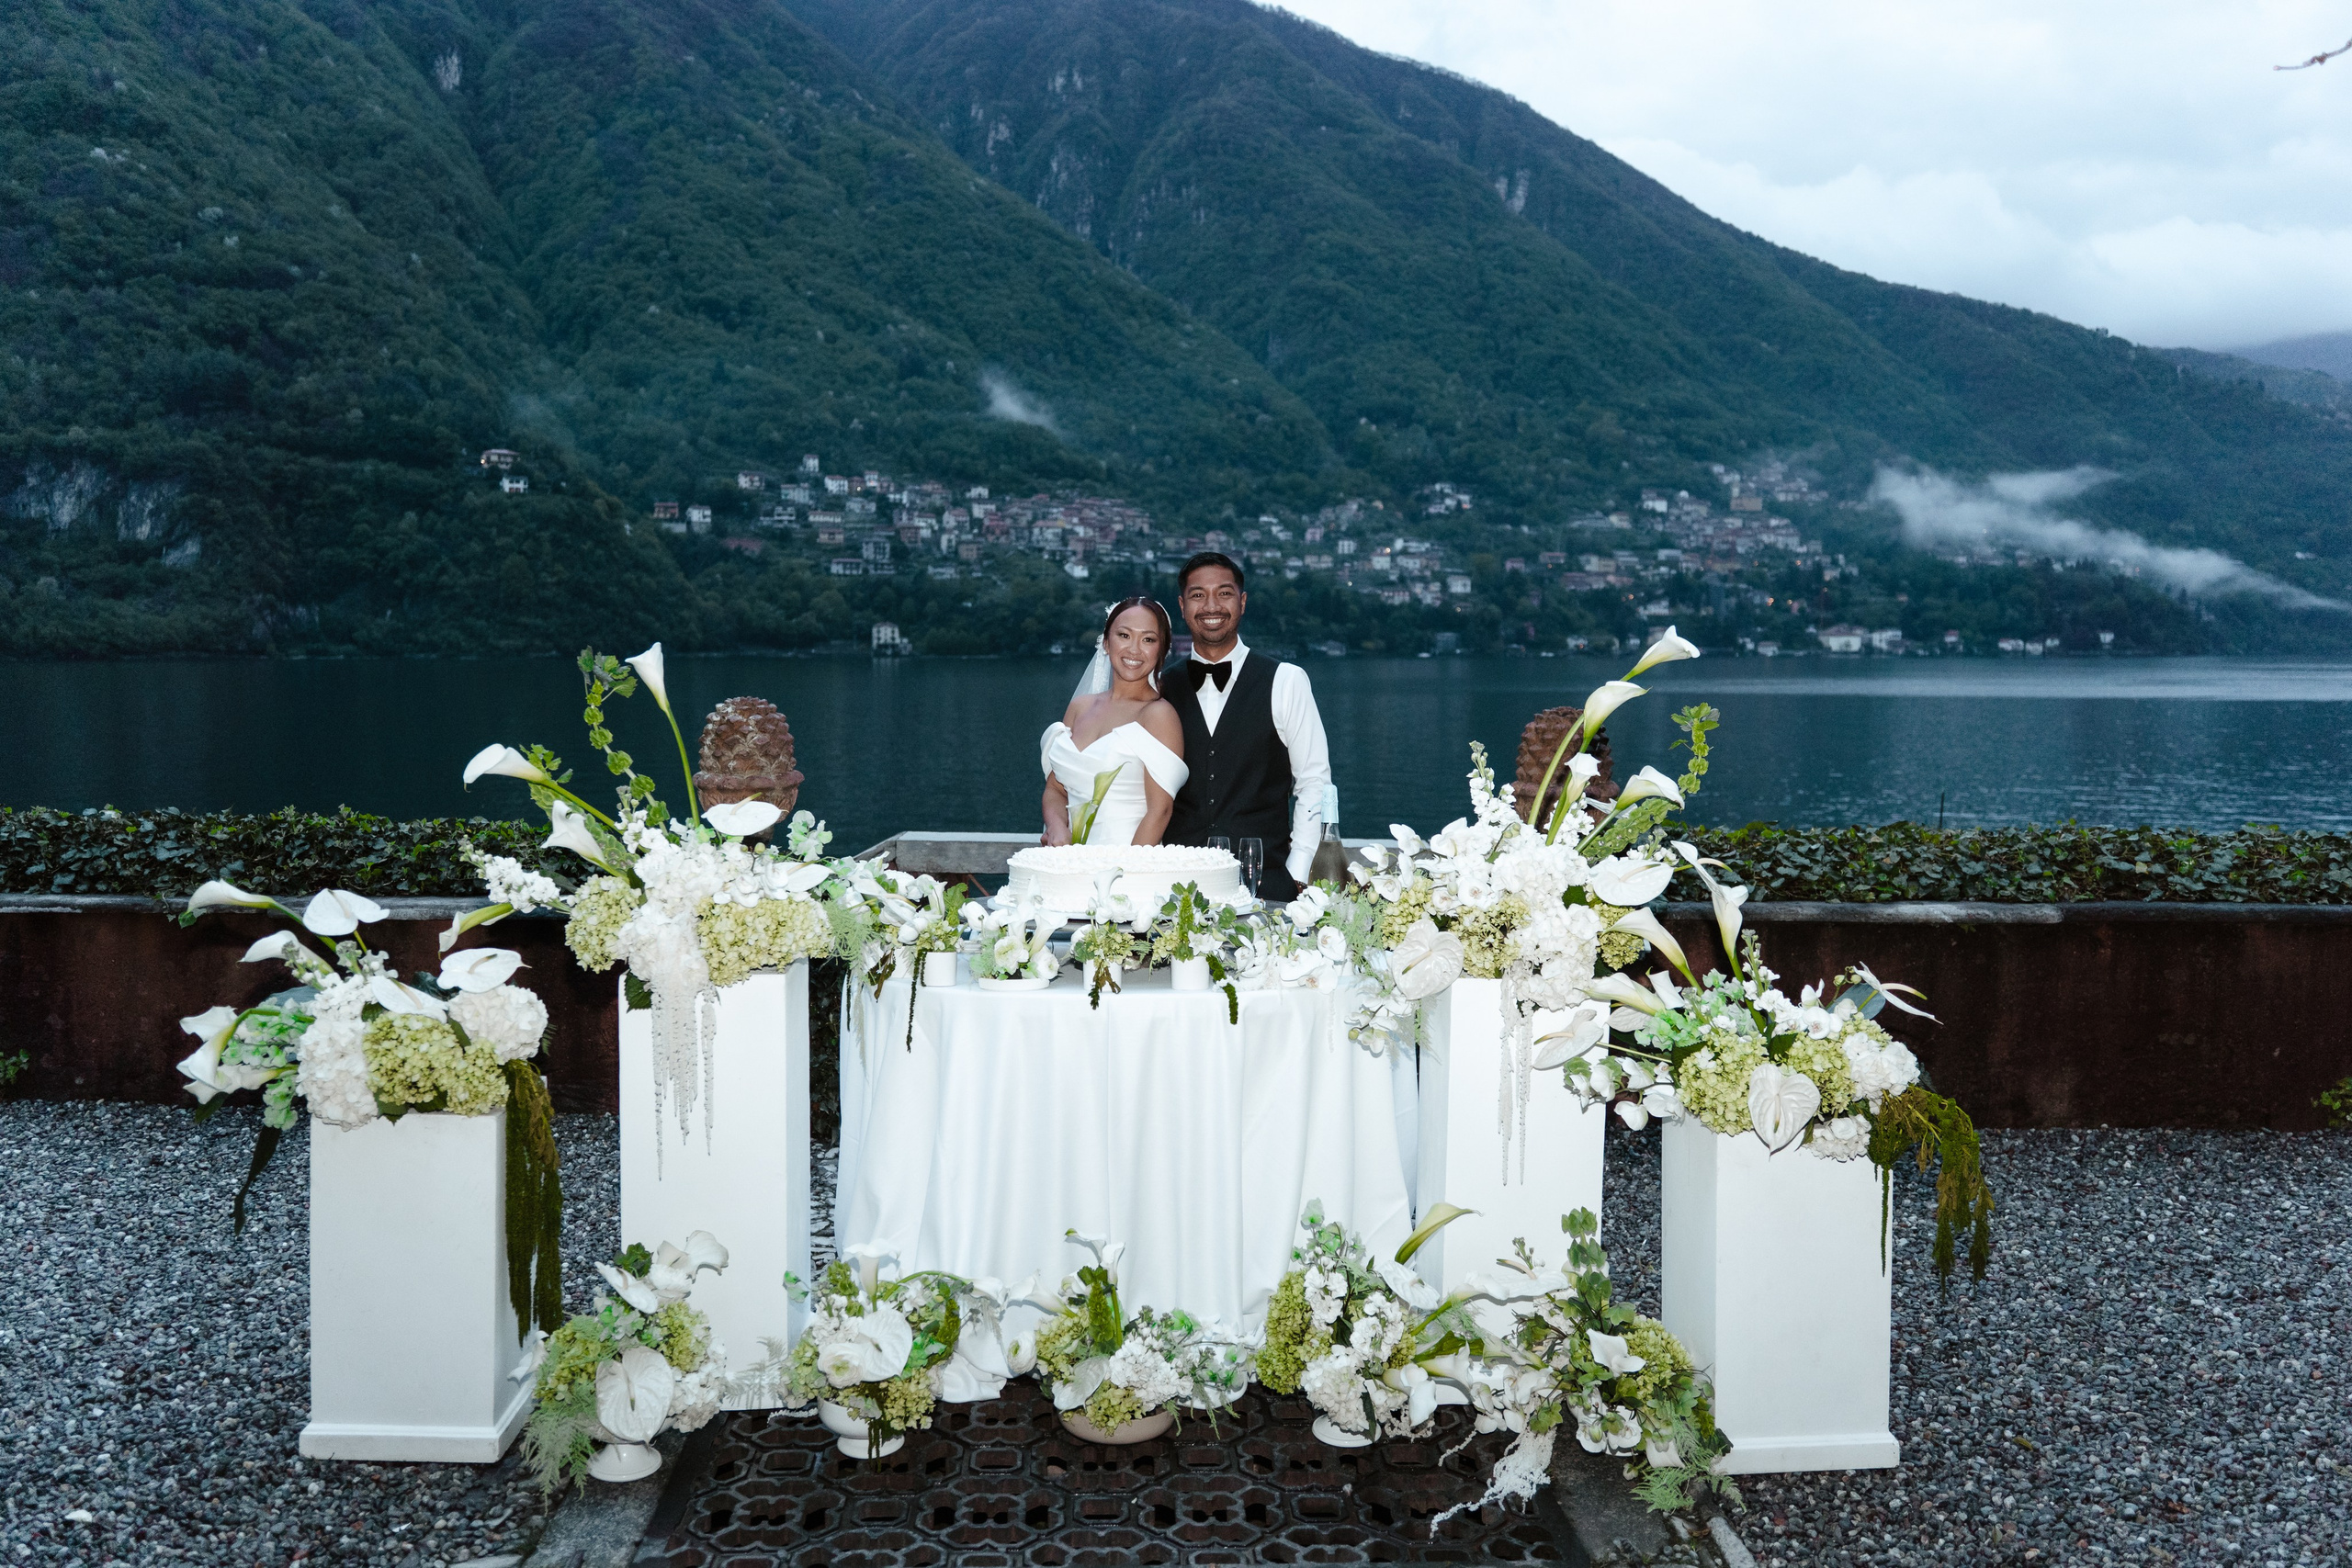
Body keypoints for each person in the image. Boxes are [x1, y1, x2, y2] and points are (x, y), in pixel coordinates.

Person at [1159, 552, 1332, 902]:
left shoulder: (1286, 681)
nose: (1211, 606)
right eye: (1197, 595)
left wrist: (1297, 873)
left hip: (1266, 885)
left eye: (1224, 593)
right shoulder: (1160, 686)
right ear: (1181, 605)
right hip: (1174, 888)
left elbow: (1314, 783)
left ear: (1242, 602)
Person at [1040, 597, 1188, 847]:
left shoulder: (1158, 716)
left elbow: (1160, 812)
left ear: (1162, 651)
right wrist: (1056, 828)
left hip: (1127, 865)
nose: (1134, 649)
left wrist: (1120, 874)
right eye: (1124, 635)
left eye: (1148, 640)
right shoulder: (1080, 707)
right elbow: (1056, 789)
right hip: (1067, 864)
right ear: (1107, 642)